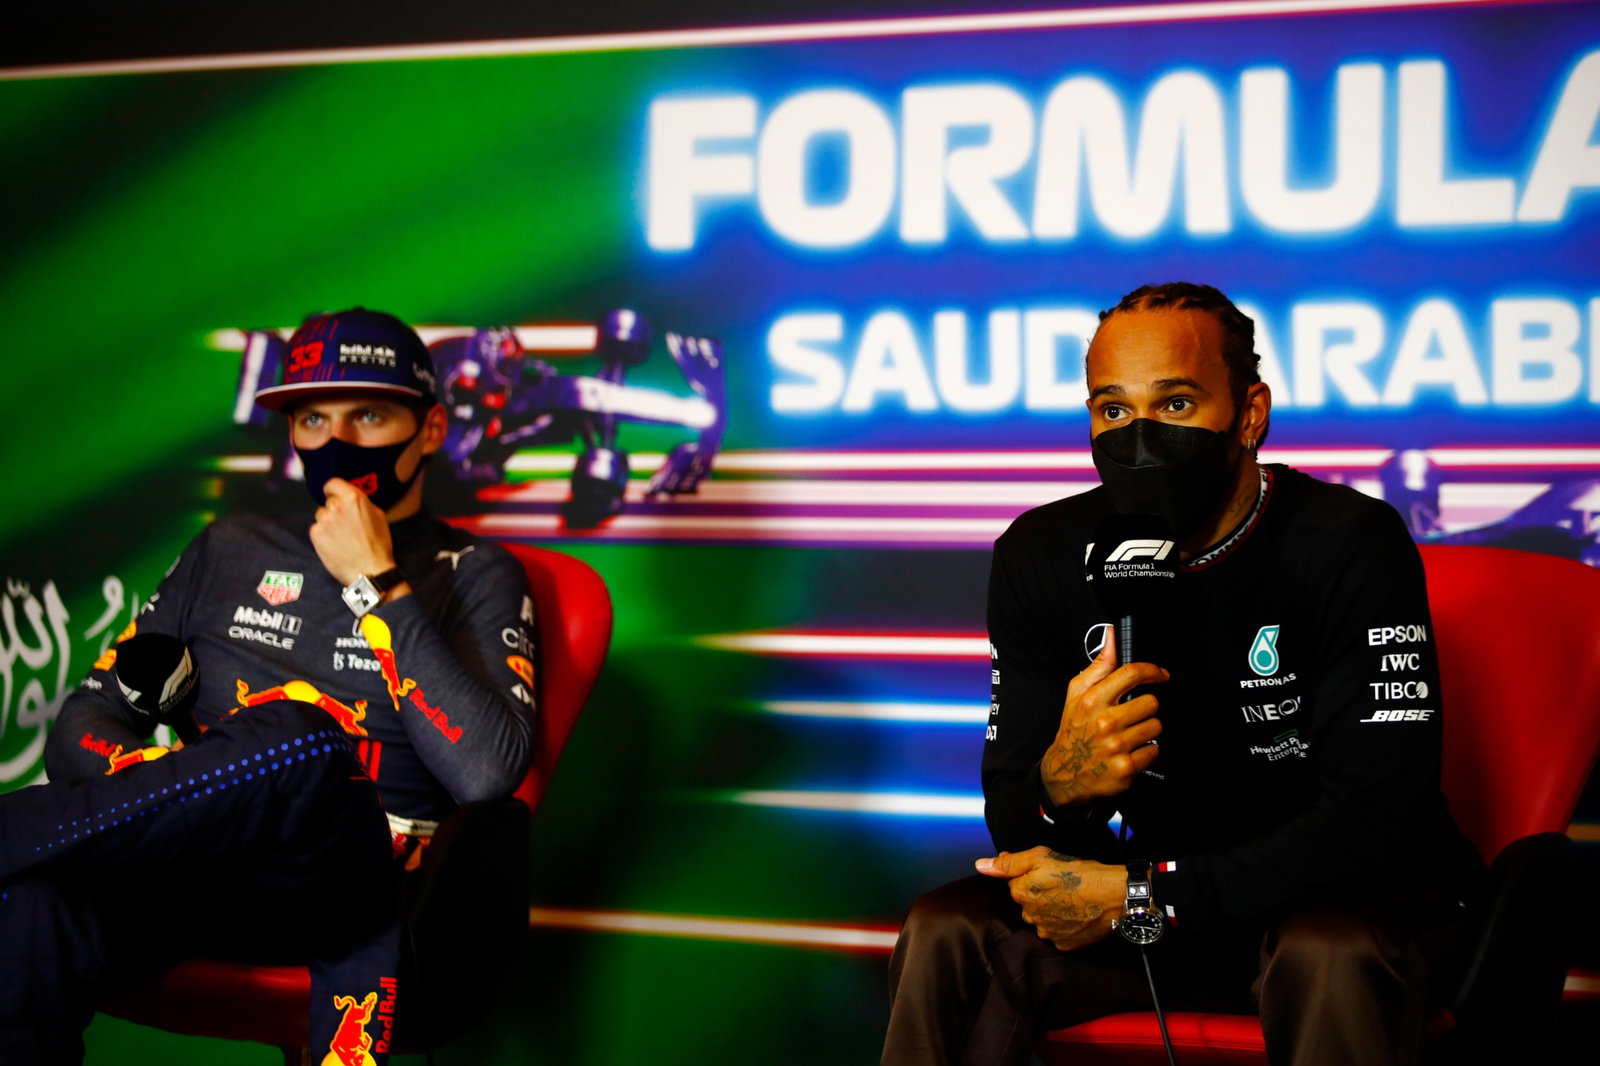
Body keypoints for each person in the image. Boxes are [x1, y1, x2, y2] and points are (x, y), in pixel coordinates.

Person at [881, 283, 1482, 1066]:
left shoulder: (1348, 543)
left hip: (1336, 910)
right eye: (1113, 409)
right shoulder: (1041, 556)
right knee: (950, 928)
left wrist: (1149, 896)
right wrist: (1061, 786)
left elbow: (1376, 828)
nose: (1139, 439)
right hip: (1151, 910)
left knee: (1327, 949)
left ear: (1250, 414)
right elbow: (1019, 833)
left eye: (1175, 405)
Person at [0, 308, 537, 1065]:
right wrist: (178, 785)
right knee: (32, 903)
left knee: (303, 735)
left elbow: (486, 773)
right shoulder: (230, 547)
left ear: (431, 430)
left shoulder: (476, 573)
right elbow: (83, 721)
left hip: (342, 887)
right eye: (313, 419)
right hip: (192, 868)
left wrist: (376, 581)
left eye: (369, 415)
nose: (337, 441)